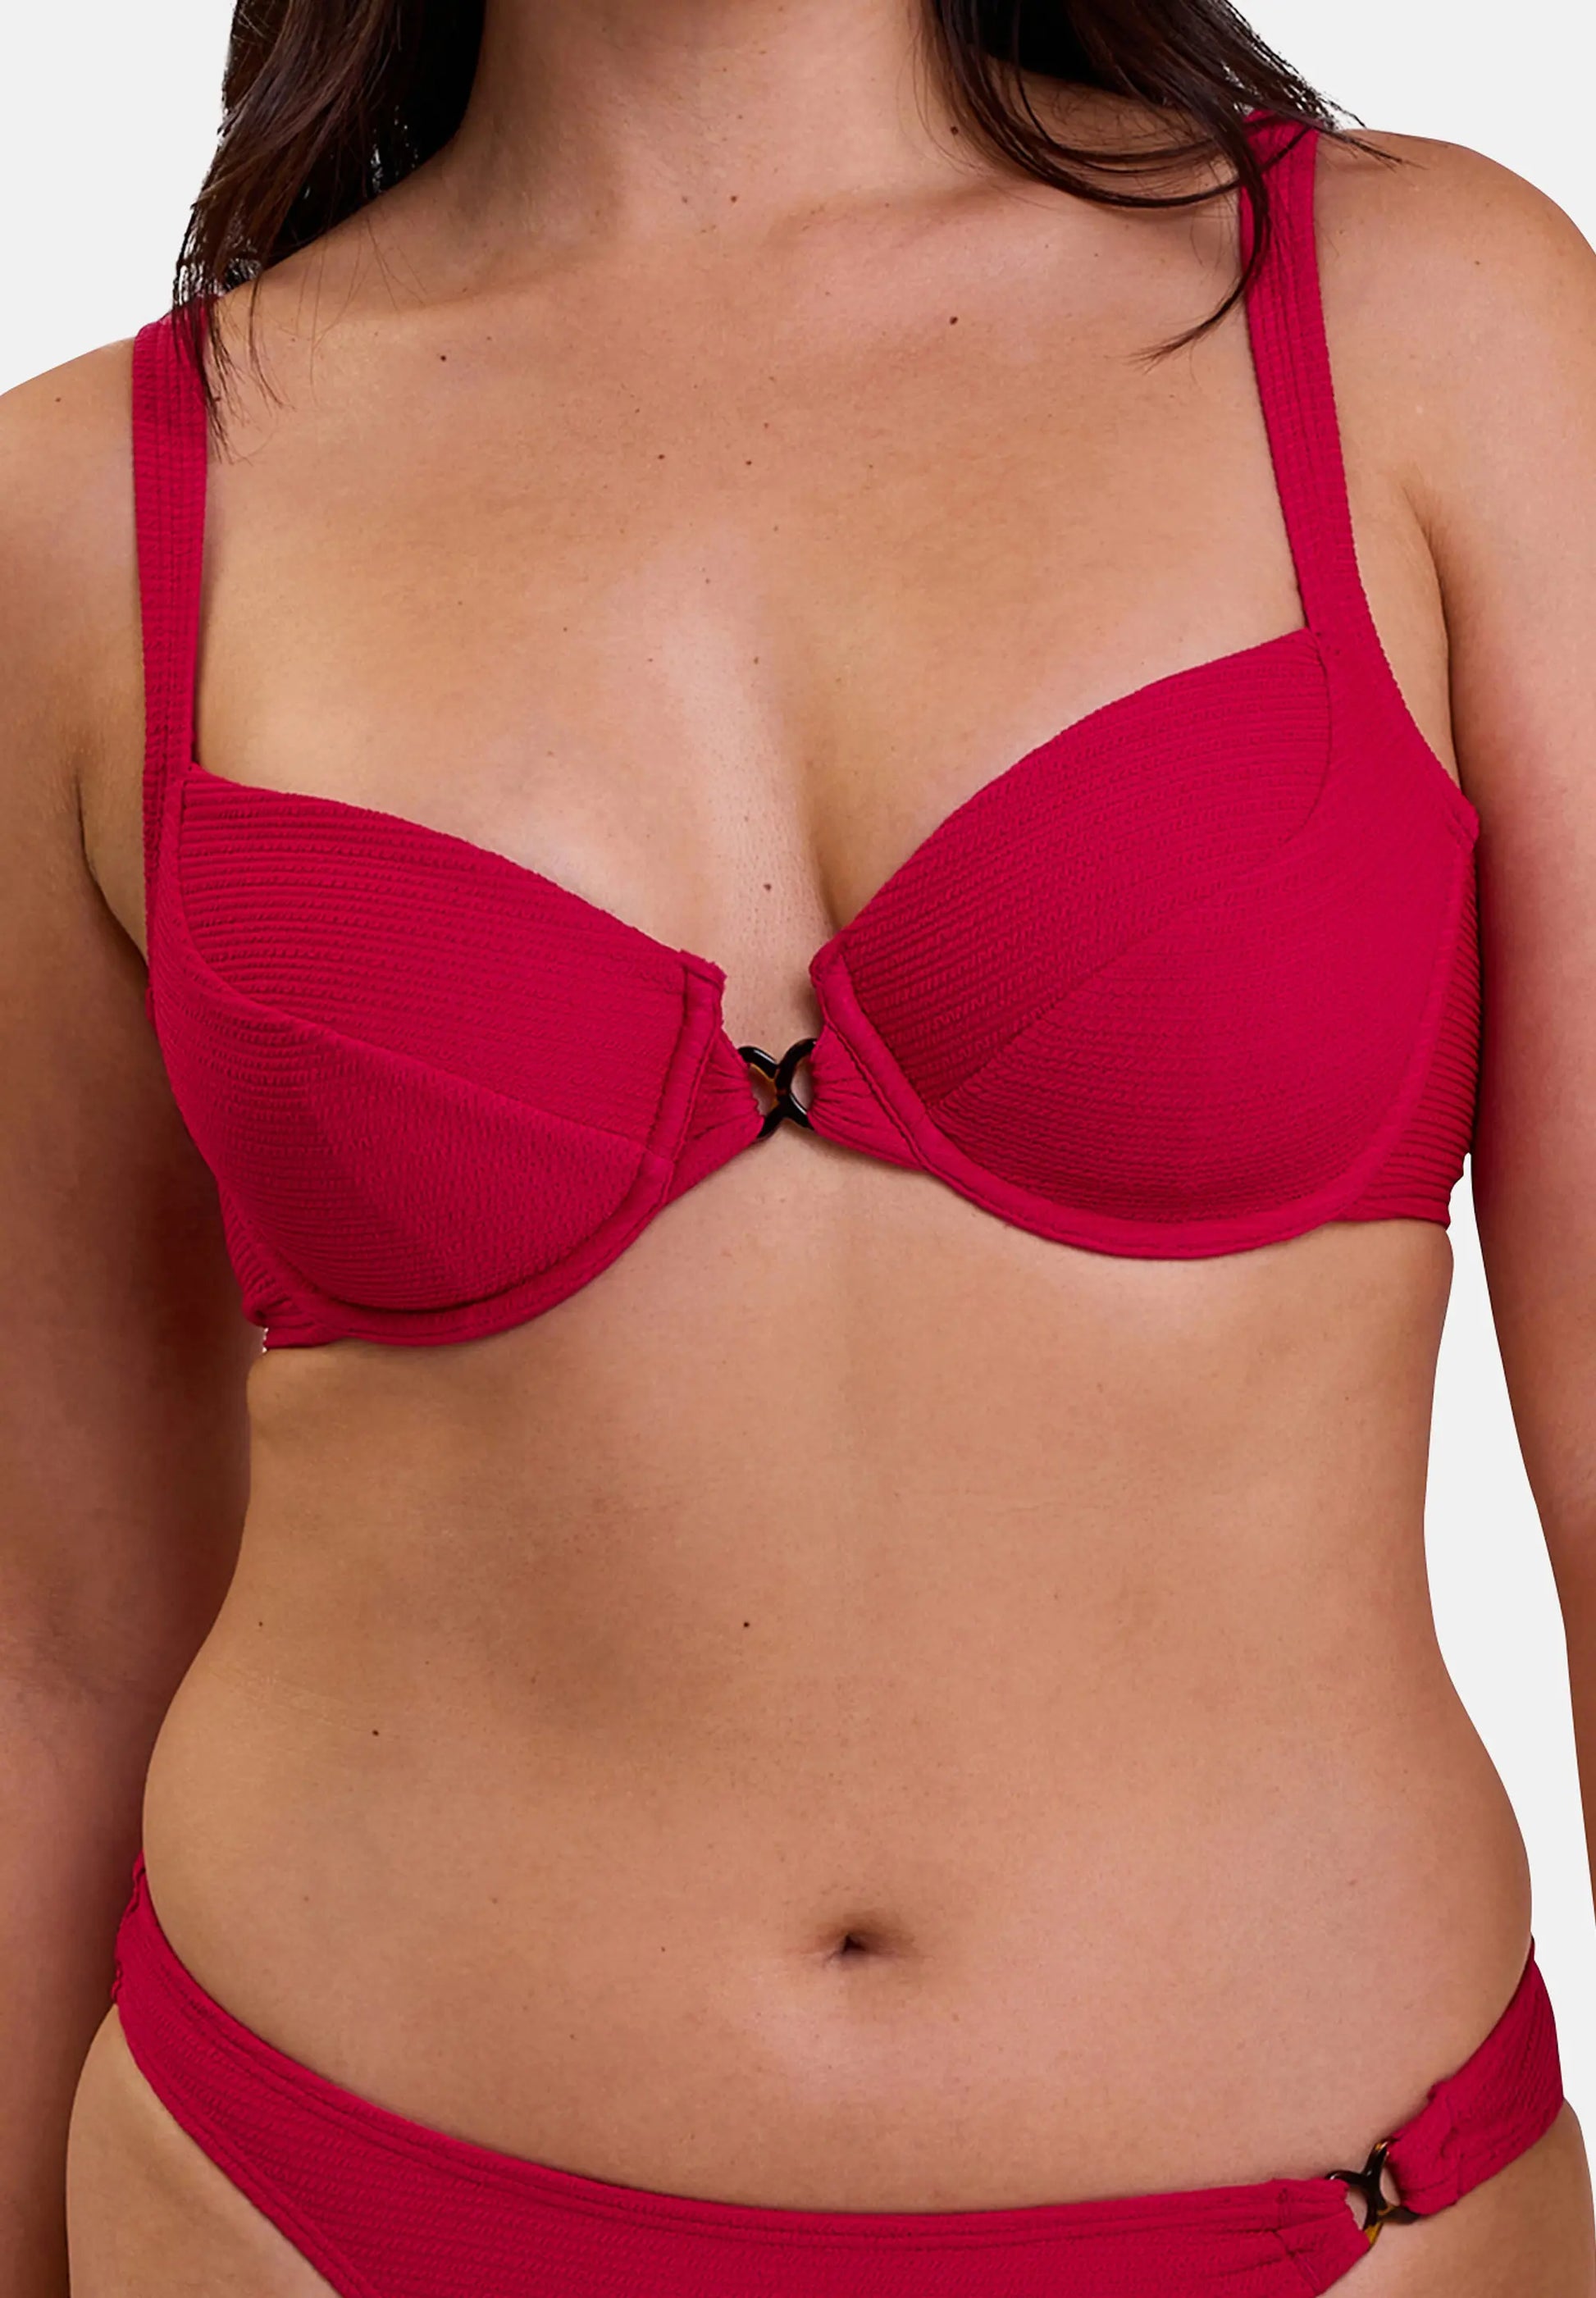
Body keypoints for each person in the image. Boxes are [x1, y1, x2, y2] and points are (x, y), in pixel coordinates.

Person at [2, 1, 1594, 2291]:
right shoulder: (87, 512)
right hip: (303, 2212)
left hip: (1339, 2227)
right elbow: (54, 1646)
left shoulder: (1430, 324)